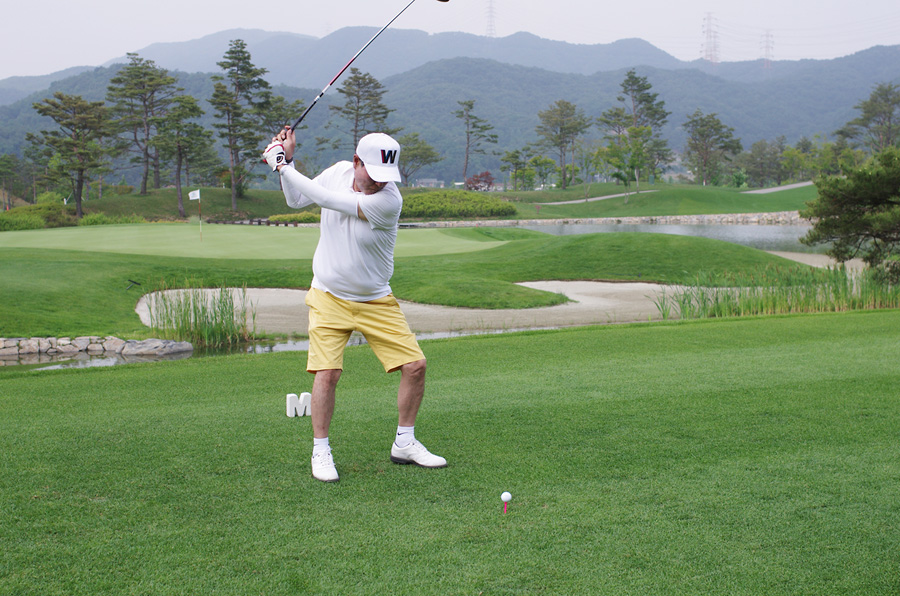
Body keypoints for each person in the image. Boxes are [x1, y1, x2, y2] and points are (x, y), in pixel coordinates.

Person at [262, 128, 447, 482]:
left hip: (375, 298)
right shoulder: (337, 172)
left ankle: (404, 442)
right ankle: (321, 450)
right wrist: (288, 162)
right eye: (373, 174)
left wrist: (281, 164)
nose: (379, 182)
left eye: (385, 176)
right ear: (356, 162)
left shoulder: (389, 201)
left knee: (415, 366)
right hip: (328, 295)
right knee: (327, 373)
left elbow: (326, 200)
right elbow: (296, 200)